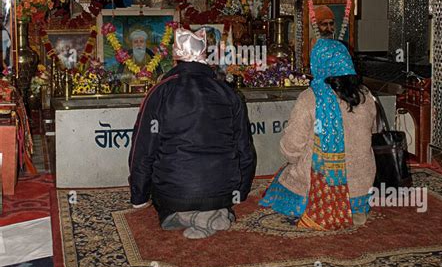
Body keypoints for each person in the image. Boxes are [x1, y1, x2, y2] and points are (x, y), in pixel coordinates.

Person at [129, 27, 256, 239]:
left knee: (166, 205)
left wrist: (139, 196)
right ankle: (214, 212)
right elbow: (245, 148)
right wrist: (240, 192)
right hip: (224, 192)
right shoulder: (228, 92)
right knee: (208, 191)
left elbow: (142, 149)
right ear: (204, 55)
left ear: (176, 58)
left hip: (175, 193)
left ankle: (189, 216)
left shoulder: (160, 92)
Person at [260, 37, 377, 229]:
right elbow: (372, 131)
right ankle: (354, 208)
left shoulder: (310, 98)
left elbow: (291, 148)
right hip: (361, 187)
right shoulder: (365, 95)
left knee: (279, 184)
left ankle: (328, 204)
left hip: (316, 186)